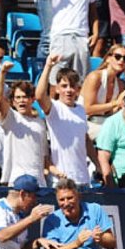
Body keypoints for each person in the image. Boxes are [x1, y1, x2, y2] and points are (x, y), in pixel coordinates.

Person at [38, 55, 94, 187]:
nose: (68, 90)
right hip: (61, 179)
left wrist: (98, 165)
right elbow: (39, 96)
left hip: (83, 178)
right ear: (57, 88)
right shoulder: (54, 108)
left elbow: (86, 140)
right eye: (64, 86)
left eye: (72, 86)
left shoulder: (81, 109)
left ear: (78, 90)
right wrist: (48, 66)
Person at [0, 63, 47, 187]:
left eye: (25, 97)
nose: (21, 100)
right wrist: (2, 73)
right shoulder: (12, 118)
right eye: (18, 97)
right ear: (12, 101)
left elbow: (44, 154)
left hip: (39, 181)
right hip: (16, 178)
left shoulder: (40, 122)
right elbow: (0, 99)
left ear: (32, 99)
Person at [82, 45, 125, 141]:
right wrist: (115, 103)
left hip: (105, 122)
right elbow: (87, 109)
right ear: (108, 58)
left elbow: (111, 112)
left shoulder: (120, 84)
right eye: (117, 57)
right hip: (86, 122)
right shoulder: (95, 77)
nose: (121, 60)